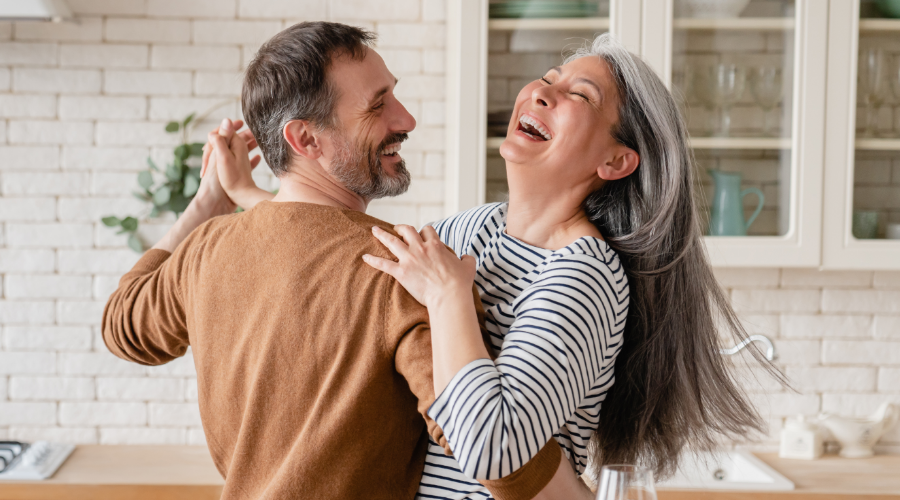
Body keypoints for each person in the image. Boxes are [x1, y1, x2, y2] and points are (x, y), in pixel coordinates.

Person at [212, 33, 774, 500]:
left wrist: (451, 300)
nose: (542, 93)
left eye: (578, 94)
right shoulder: (474, 228)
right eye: (548, 78)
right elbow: (358, 254)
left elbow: (494, 450)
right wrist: (248, 192)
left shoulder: (583, 278)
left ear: (615, 160)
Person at [102, 22, 588, 500]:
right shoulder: (400, 269)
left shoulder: (207, 248)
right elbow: (494, 454)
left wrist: (209, 201)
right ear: (306, 140)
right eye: (378, 106)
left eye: (392, 94)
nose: (406, 119)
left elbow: (124, 327)